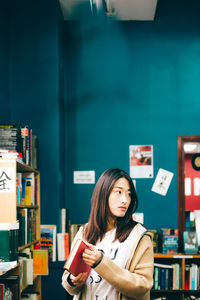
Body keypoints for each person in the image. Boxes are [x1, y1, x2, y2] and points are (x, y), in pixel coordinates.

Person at [62, 168, 154, 300]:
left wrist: (101, 262)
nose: (125, 200)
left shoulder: (139, 236)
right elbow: (68, 282)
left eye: (129, 194)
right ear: (103, 194)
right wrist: (73, 280)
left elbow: (143, 287)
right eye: (119, 192)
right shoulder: (85, 232)